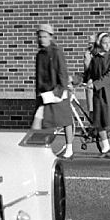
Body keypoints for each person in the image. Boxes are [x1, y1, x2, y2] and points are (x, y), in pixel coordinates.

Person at [32, 23, 75, 159]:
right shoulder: (40, 55)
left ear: (50, 37)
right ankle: (41, 149)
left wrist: (60, 90)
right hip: (44, 95)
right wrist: (38, 94)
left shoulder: (56, 52)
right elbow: (39, 77)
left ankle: (69, 149)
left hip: (57, 92)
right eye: (40, 37)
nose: (41, 39)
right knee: (41, 121)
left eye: (44, 36)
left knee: (65, 120)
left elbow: (62, 72)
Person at [86, 32, 110, 158]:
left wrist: (95, 84)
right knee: (98, 122)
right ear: (99, 44)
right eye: (104, 42)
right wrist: (73, 80)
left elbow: (109, 76)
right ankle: (106, 147)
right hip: (99, 94)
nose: (107, 45)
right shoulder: (95, 59)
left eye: (109, 42)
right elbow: (88, 75)